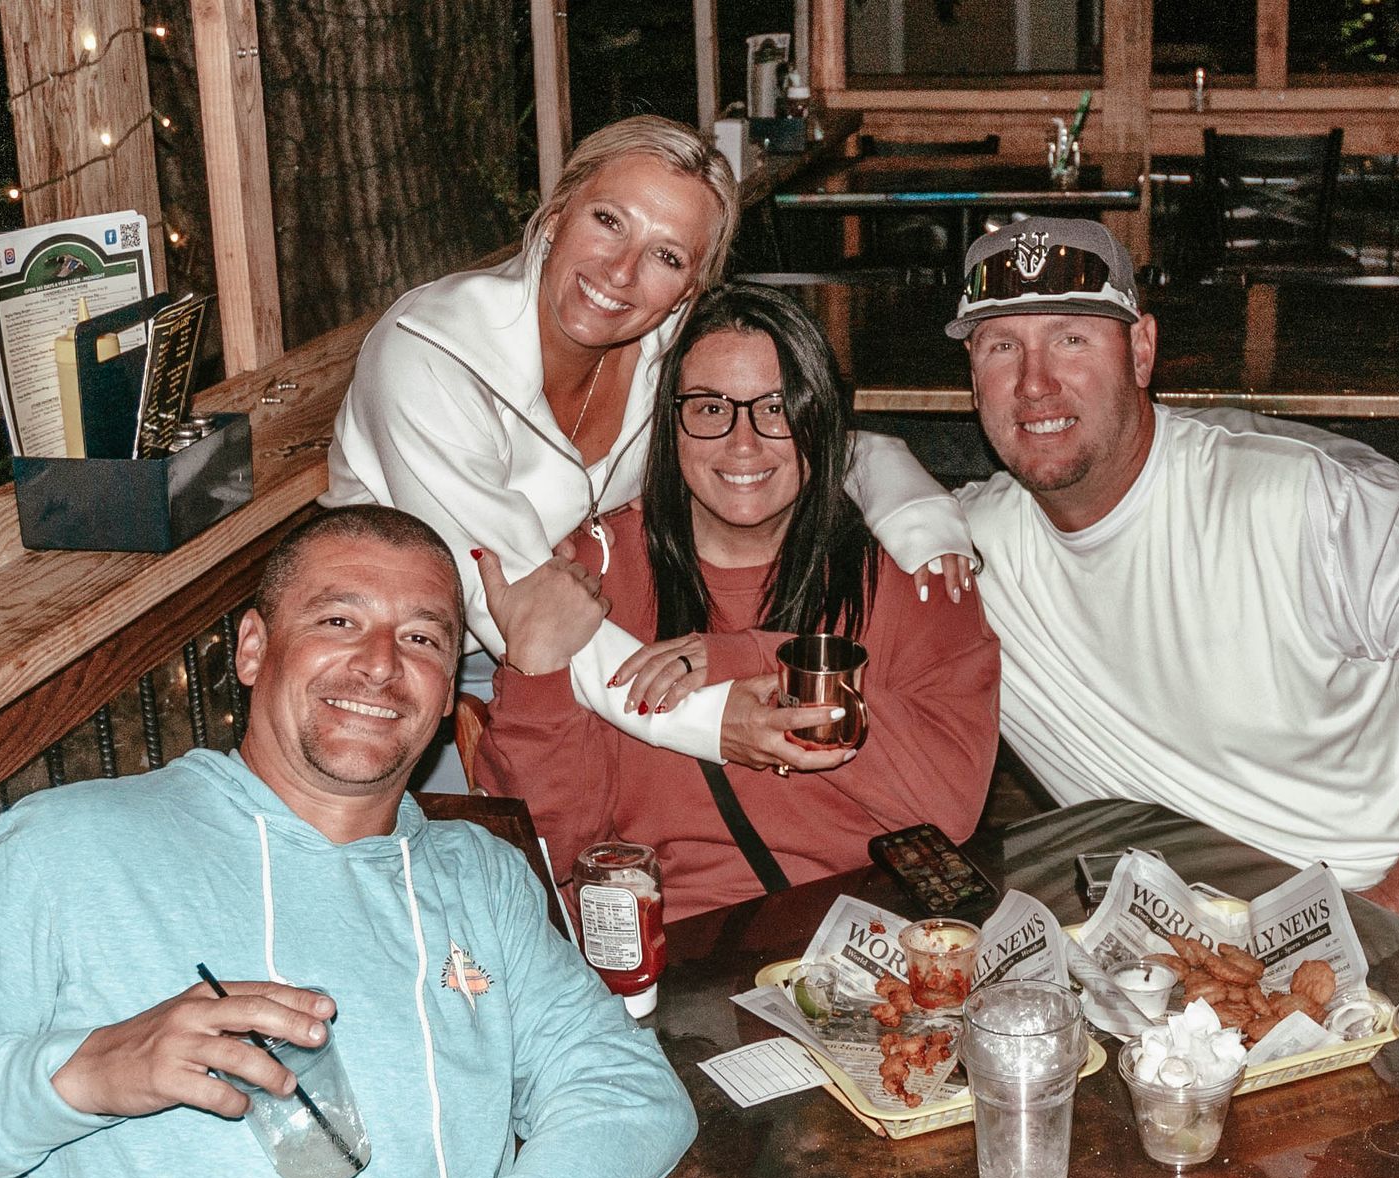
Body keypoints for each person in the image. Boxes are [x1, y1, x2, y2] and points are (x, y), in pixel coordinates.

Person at [0, 507, 696, 1178]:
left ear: (445, 697)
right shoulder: (63, 848)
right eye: (339, 621)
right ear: (251, 649)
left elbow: (625, 1092)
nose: (380, 664)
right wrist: (78, 1075)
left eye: (423, 638)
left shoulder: (480, 877)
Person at [946, 217, 1399, 932]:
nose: (1034, 383)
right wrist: (893, 486)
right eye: (1001, 347)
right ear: (973, 379)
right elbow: (834, 461)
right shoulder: (968, 550)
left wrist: (1394, 917)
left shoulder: (1312, 504)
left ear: (1141, 350)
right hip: (1206, 931)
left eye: (1072, 338)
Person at [325, 115, 973, 790]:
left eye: (667, 257)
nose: (622, 271)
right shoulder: (429, 352)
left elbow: (799, 439)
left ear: (689, 291)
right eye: (608, 220)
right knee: (508, 868)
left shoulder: (668, 354)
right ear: (555, 215)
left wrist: (920, 516)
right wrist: (712, 718)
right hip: (404, 659)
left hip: (589, 636)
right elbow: (512, 599)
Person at [471, 282, 1000, 923]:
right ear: (668, 424)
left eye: (776, 408)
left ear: (821, 417)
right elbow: (548, 850)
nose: (742, 443)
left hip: (867, 939)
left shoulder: (908, 569)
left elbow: (950, 802)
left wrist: (747, 660)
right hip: (669, 944)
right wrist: (537, 674)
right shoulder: (590, 574)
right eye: (711, 408)